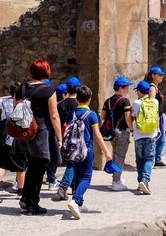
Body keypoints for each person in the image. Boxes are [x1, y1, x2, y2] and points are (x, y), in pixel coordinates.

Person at [12, 59, 61, 215]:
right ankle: (32, 202)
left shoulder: (21, 89)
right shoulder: (48, 91)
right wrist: (59, 136)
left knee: (32, 165)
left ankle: (26, 197)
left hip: (23, 130)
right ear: (46, 72)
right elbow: (54, 116)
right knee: (39, 167)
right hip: (40, 131)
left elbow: (15, 109)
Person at [64, 85, 114, 220]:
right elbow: (97, 135)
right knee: (86, 177)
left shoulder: (71, 114)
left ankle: (79, 204)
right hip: (86, 149)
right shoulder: (91, 115)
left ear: (76, 100)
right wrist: (106, 152)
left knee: (77, 176)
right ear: (90, 99)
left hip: (73, 150)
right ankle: (75, 200)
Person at [0, 83, 27, 203]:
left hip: (5, 138)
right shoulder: (24, 104)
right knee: (21, 167)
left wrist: (7, 97)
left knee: (2, 165)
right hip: (18, 139)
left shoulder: (5, 102)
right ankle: (21, 190)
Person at [99, 77, 133, 191]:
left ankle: (116, 178)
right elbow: (128, 119)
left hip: (112, 132)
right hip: (122, 131)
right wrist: (132, 129)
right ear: (120, 88)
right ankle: (116, 181)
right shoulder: (125, 101)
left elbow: (102, 116)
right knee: (120, 157)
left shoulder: (108, 101)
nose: (128, 89)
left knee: (115, 155)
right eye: (126, 87)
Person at [53, 76, 81, 197]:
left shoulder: (60, 105)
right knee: (73, 163)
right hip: (77, 137)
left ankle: (74, 188)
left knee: (72, 161)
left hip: (64, 136)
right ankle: (64, 186)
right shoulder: (79, 104)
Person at [131, 80, 158, 194]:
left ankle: (140, 182)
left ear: (138, 92)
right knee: (149, 158)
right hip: (151, 134)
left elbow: (132, 117)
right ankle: (145, 180)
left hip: (138, 135)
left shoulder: (136, 103)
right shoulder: (155, 102)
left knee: (139, 159)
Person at [146, 66, 166, 166]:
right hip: (157, 117)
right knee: (159, 139)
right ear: (152, 75)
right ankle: (156, 159)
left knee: (161, 138)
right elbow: (152, 104)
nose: (161, 77)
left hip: (160, 116)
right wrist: (154, 119)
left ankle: (157, 159)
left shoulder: (154, 87)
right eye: (159, 75)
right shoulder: (152, 88)